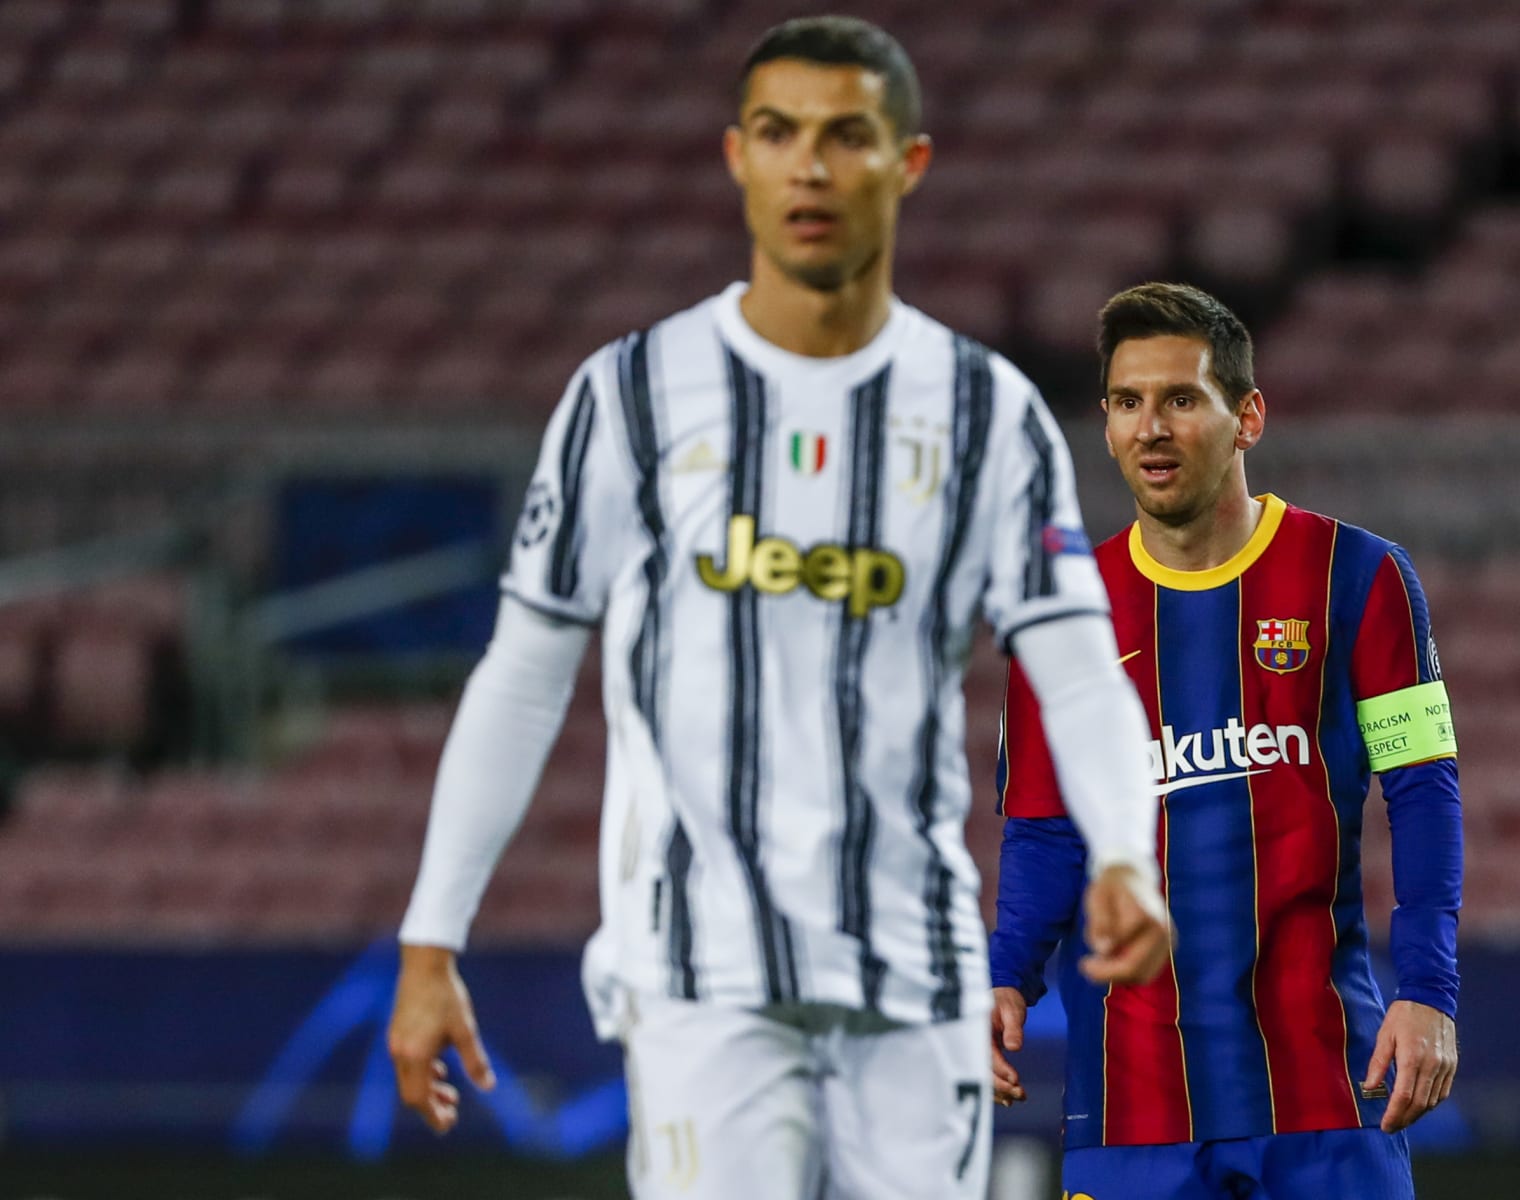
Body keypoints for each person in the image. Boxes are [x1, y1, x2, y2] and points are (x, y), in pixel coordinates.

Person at [385, 17, 1171, 1200]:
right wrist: (431, 935)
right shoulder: (632, 398)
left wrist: (1124, 850)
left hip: (914, 971)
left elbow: (1075, 667)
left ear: (907, 164)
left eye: (847, 136)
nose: (810, 166)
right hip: (700, 974)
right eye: (778, 133)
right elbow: (525, 672)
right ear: (736, 159)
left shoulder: (982, 414)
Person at [987, 282, 1462, 1200]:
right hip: (1131, 1110)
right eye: (1127, 403)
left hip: (1326, 1092)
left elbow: (1424, 794)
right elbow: (1045, 828)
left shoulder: (1358, 575)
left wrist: (1430, 991)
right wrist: (1006, 977)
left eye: (1180, 399)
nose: (1150, 428)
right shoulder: (1062, 615)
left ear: (1247, 417)